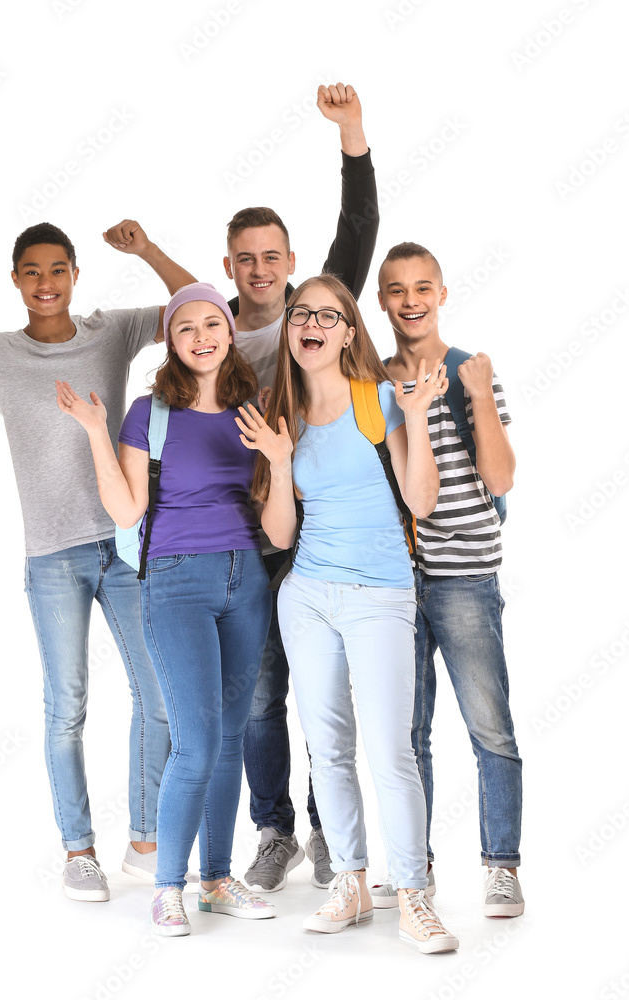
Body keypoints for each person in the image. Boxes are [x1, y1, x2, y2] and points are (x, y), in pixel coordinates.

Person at [112, 82, 380, 892]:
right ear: (230, 270)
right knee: (258, 701)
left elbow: (359, 231)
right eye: (246, 261)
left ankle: (332, 829)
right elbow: (187, 301)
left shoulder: (315, 313)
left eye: (274, 258)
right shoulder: (214, 325)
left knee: (326, 692)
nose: (261, 272)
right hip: (242, 541)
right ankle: (274, 831)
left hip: (319, 530)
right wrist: (154, 253)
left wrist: (352, 135)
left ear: (293, 266)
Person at [0, 221, 195, 900]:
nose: (46, 284)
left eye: (58, 270)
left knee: (157, 697)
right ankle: (78, 850)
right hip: (53, 558)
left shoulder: (111, 332)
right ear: (15, 280)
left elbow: (201, 310)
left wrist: (148, 251)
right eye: (32, 272)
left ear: (75, 275)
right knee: (66, 705)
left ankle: (146, 839)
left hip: (125, 545)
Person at [237, 274, 459, 953]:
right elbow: (279, 535)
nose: (312, 323)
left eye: (328, 316)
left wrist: (418, 419)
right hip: (307, 594)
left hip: (380, 595)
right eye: (301, 313)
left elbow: (421, 501)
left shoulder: (383, 401)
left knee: (391, 749)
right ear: (291, 329)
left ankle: (415, 894)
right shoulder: (283, 415)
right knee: (327, 748)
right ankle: (353, 883)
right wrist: (276, 460)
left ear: (348, 330)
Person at [55, 282, 275, 936]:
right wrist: (96, 431)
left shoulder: (253, 408)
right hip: (175, 582)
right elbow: (125, 510)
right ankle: (169, 886)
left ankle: (215, 877)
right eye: (187, 328)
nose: (202, 336)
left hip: (247, 580)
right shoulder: (148, 414)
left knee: (230, 738)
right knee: (197, 740)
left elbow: (273, 499)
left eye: (214, 323)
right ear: (172, 342)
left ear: (230, 334)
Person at [370, 242, 523, 917]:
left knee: (489, 727)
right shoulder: (373, 380)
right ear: (381, 301)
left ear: (442, 294)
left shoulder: (470, 371)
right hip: (398, 581)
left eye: (422, 287)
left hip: (464, 576)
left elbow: (500, 479)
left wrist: (480, 396)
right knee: (408, 734)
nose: (411, 300)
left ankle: (501, 866)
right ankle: (416, 866)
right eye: (398, 289)